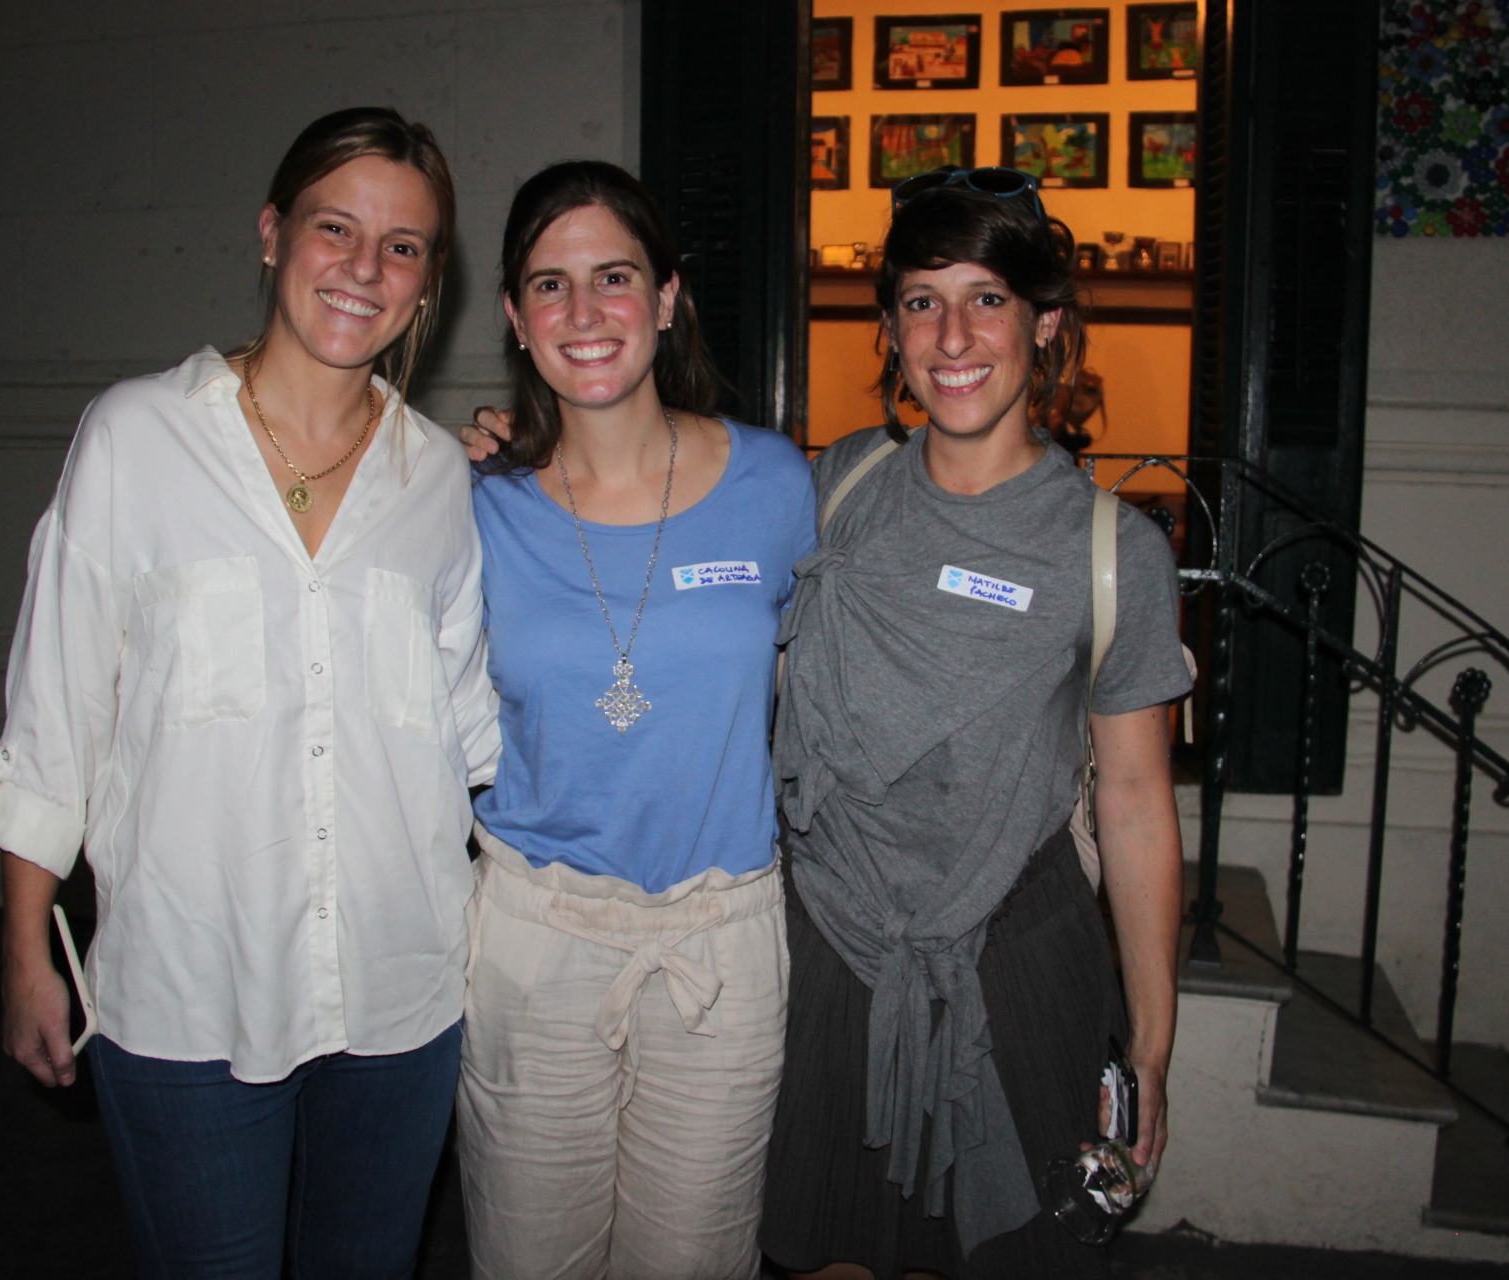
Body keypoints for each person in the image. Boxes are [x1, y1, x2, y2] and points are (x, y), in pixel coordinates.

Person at [0, 107, 497, 1279]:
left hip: (402, 991)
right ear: (273, 234)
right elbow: (56, 715)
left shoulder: (442, 486)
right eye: (335, 228)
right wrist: (25, 954)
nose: (365, 269)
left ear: (429, 284)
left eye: (403, 246)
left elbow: (476, 732)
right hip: (185, 995)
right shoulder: (135, 438)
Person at [759, 168, 1192, 1280]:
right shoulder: (836, 486)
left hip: (1017, 953)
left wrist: (1150, 1039)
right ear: (891, 329)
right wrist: (526, 453)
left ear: (1046, 324)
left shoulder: (1112, 553)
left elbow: (1139, 802)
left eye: (987, 297)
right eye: (920, 299)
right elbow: (656, 499)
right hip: (831, 945)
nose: (953, 333)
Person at [457, 160, 816, 1279]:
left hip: (721, 944)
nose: (584, 312)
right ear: (515, 318)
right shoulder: (469, 503)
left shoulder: (775, 483)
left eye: (614, 276)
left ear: (667, 297)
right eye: (550, 285)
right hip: (536, 938)